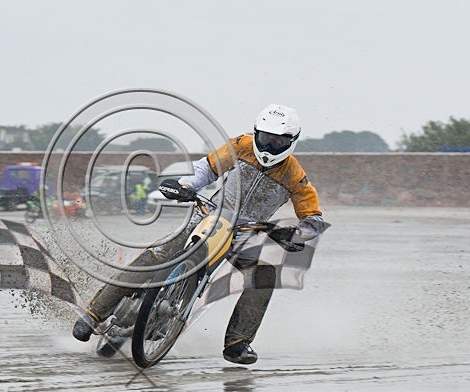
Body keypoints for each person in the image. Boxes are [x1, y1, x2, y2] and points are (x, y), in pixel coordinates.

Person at [72, 104, 328, 365]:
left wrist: (299, 235)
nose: (270, 146)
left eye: (279, 141)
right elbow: (207, 168)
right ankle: (93, 315)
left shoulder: (295, 176)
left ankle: (238, 343)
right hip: (210, 215)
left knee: (264, 275)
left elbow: (314, 218)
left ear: (292, 141)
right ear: (256, 133)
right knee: (158, 254)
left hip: (246, 232)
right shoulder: (240, 146)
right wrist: (185, 185)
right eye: (266, 138)